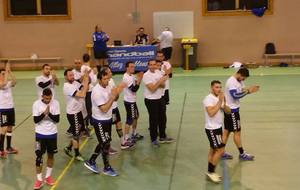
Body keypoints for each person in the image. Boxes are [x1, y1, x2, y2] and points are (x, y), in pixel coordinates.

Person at [84, 69, 124, 176]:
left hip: (107, 119)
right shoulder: (97, 92)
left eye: (108, 78)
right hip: (99, 121)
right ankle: (106, 167)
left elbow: (115, 99)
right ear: (99, 80)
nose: (107, 81)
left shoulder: (108, 86)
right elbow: (104, 109)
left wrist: (116, 93)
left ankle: (91, 161)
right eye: (105, 79)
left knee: (105, 142)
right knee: (105, 143)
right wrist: (112, 97)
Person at [222, 68, 260, 160]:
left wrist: (249, 88)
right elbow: (235, 95)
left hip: (230, 110)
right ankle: (242, 154)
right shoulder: (231, 82)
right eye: (243, 78)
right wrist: (248, 92)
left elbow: (242, 89)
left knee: (226, 132)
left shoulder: (238, 81)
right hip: (232, 111)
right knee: (237, 132)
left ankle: (221, 152)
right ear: (239, 74)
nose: (243, 80)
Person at [203, 80, 230, 183]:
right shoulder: (208, 99)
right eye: (216, 87)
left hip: (218, 128)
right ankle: (210, 172)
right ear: (212, 88)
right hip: (211, 129)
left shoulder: (219, 98)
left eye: (220, 87)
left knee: (213, 150)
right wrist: (219, 101)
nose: (219, 89)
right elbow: (211, 113)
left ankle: (211, 172)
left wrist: (224, 102)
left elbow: (228, 111)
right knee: (220, 150)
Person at [32, 88, 60, 189]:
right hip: (40, 134)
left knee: (51, 156)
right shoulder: (36, 104)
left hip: (52, 134)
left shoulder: (55, 103)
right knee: (39, 158)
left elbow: (57, 119)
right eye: (46, 98)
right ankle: (39, 180)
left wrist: (49, 113)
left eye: (50, 98)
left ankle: (48, 176)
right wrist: (44, 114)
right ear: (42, 96)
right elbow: (35, 120)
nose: (48, 100)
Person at [143, 59, 174, 147]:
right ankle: (153, 139)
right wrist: (159, 82)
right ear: (148, 66)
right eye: (151, 65)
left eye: (154, 64)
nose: (153, 66)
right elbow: (152, 89)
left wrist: (157, 83)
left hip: (160, 98)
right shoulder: (146, 75)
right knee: (154, 120)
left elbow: (163, 85)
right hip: (151, 100)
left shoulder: (158, 72)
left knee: (163, 118)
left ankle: (162, 136)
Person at [63, 69, 89, 161]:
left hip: (78, 112)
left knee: (80, 132)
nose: (72, 77)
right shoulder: (67, 86)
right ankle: (77, 154)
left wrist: (85, 78)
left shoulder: (74, 83)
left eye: (73, 75)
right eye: (70, 75)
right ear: (66, 77)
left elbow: (84, 88)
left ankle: (68, 148)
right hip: (73, 113)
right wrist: (86, 81)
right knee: (76, 134)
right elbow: (82, 94)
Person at [122, 61, 144, 146]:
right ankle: (126, 138)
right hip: (129, 101)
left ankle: (134, 133)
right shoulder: (126, 77)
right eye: (131, 67)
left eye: (133, 67)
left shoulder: (131, 75)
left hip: (133, 101)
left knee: (136, 116)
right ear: (126, 68)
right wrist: (139, 79)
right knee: (130, 119)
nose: (133, 68)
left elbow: (136, 84)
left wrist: (139, 78)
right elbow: (134, 89)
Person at [0, 63, 18, 158]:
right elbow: (2, 85)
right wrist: (6, 71)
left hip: (11, 108)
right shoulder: (1, 83)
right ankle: (1, 150)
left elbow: (15, 81)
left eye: (4, 74)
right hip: (3, 109)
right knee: (4, 128)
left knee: (10, 127)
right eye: (2, 74)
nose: (4, 75)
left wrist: (10, 71)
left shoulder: (8, 82)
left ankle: (9, 147)